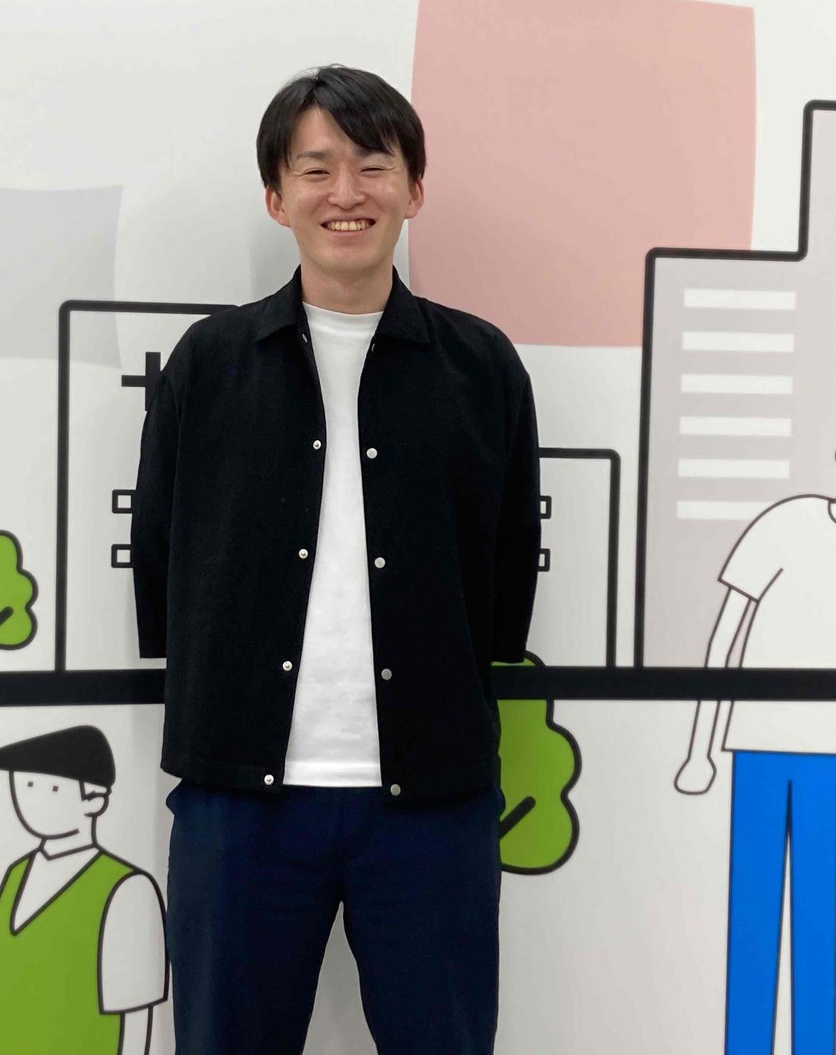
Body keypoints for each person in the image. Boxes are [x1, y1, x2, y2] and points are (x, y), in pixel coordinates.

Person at [129, 64, 541, 1054]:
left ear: (415, 188)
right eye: (315, 169)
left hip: (432, 798)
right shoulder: (211, 363)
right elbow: (160, 550)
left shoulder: (481, 366)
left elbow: (509, 561)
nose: (345, 192)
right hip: (240, 799)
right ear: (277, 197)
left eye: (373, 165)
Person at [674, 408, 836, 1055]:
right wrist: (700, 747)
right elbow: (725, 637)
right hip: (755, 741)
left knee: (817, 918)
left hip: (822, 749)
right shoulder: (786, 522)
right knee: (753, 916)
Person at [0, 726, 168, 1055]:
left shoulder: (126, 888)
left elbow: (135, 1017)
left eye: (52, 788)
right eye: (26, 785)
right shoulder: (17, 874)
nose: (33, 800)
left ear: (93, 799)